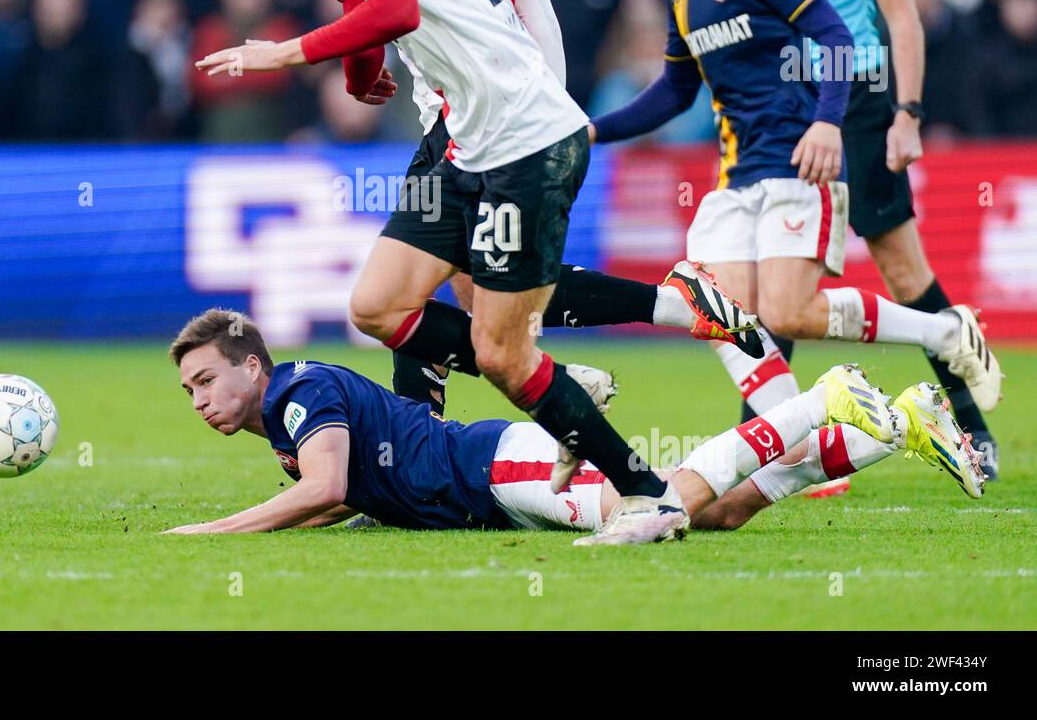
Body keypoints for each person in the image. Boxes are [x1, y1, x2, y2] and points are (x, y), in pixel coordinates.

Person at [196, 0, 683, 542]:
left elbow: (395, 9)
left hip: (526, 139)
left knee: (499, 349)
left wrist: (283, 53)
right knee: (380, 307)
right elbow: (372, 23)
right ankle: (558, 388)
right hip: (466, 141)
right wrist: (363, 78)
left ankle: (649, 492)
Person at [330, 0, 762, 415]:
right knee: (479, 296)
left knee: (408, 297)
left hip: (471, 118)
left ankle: (423, 450)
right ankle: (658, 312)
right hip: (501, 107)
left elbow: (382, 7)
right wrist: (547, 101)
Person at [588, 0, 1003, 448]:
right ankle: (801, 448)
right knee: (721, 317)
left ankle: (940, 332)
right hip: (736, 175)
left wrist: (827, 124)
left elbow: (836, 36)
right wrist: (594, 130)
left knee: (785, 315)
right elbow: (674, 91)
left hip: (794, 164)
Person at [731, 0, 1001, 478]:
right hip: (780, 112)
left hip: (859, 101)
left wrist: (908, 114)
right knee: (770, 277)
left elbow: (902, 15)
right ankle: (760, 444)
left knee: (901, 267)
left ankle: (970, 424)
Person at [163, 309, 983, 542]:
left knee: (663, 505)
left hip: (489, 472)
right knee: (721, 509)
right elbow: (345, 495)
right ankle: (887, 426)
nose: (199, 402)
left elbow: (328, 486)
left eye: (206, 380)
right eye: (189, 392)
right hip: (483, 477)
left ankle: (821, 397)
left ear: (250, 363)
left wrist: (217, 529)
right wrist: (327, 518)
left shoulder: (296, 393)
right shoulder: (287, 418)